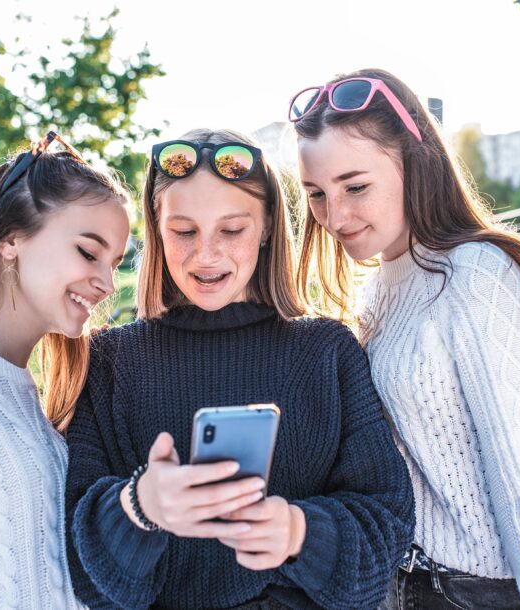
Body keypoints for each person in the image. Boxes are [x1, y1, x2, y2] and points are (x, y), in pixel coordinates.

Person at [65, 127, 415, 610]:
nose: (206, 255)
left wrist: (299, 534)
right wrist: (138, 507)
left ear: (269, 225)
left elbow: (387, 527)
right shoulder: (109, 362)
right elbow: (78, 564)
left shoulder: (328, 351)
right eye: (183, 231)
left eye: (232, 230)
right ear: (156, 228)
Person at [291, 68, 520, 610]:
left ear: (414, 160)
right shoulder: (374, 295)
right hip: (401, 588)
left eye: (355, 186)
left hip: (485, 593)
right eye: (316, 194)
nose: (334, 216)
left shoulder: (475, 274)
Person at [0, 131, 130, 609]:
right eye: (89, 252)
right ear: (9, 240)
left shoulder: (38, 403)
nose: (107, 283)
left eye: (115, 263)